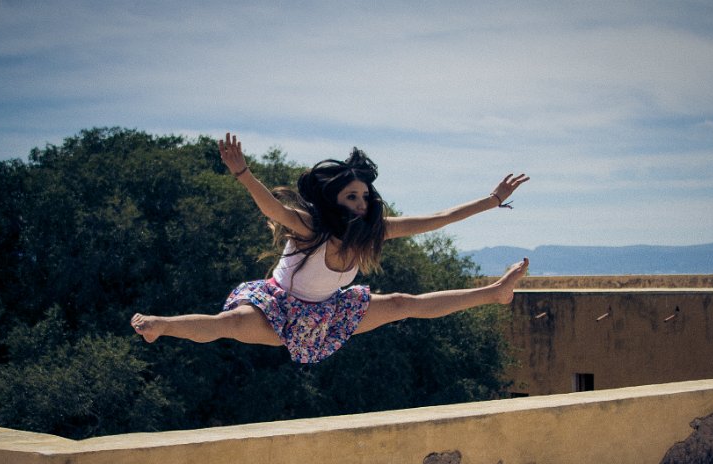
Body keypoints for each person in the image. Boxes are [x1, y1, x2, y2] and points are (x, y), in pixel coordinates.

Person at [131, 133, 529, 363]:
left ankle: (495, 293)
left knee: (402, 302)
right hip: (280, 308)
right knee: (230, 325)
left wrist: (492, 200)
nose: (361, 203)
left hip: (330, 311)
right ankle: (162, 326)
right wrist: (243, 173)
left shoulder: (374, 231)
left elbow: (440, 218)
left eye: (365, 196)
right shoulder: (312, 227)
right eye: (351, 196)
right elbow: (274, 208)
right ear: (333, 199)